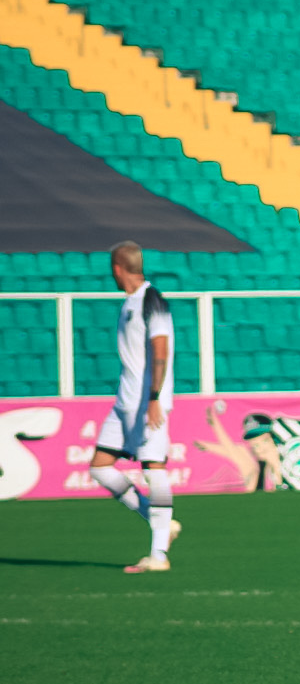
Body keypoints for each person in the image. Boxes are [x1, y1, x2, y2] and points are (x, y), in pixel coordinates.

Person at [88, 241, 181, 574]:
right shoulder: (130, 302)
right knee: (100, 467)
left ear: (117, 268)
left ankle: (158, 555)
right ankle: (160, 523)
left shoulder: (152, 300)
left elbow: (161, 350)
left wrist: (154, 399)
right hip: (125, 401)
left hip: (147, 403)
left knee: (153, 468)